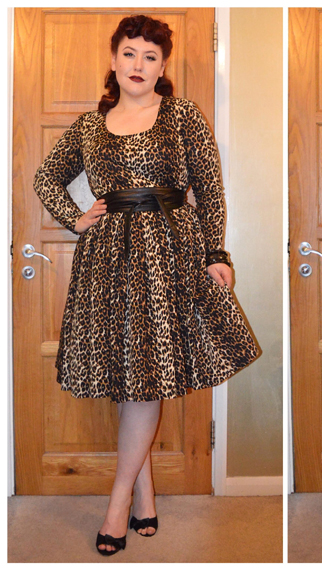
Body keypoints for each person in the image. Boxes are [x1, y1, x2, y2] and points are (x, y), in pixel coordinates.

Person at [34, 15, 259, 556]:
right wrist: (75, 218)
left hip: (168, 255)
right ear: (114, 61)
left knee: (146, 377)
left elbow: (210, 190)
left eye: (150, 56)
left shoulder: (182, 115)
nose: (138, 65)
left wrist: (216, 254)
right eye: (129, 54)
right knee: (125, 373)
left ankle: (118, 502)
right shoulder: (89, 126)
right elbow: (45, 178)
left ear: (163, 67)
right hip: (107, 260)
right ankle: (144, 495)